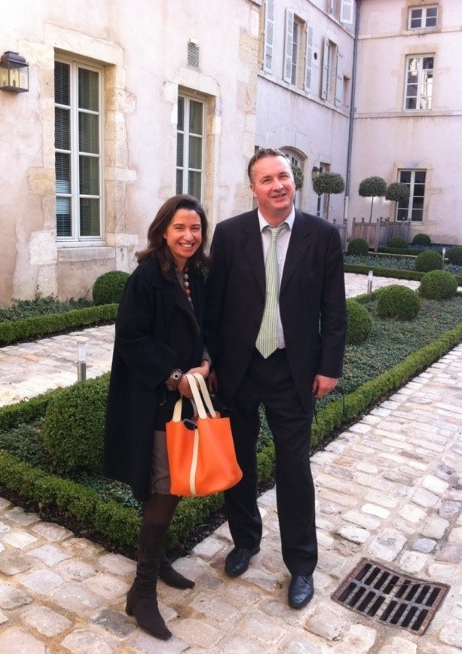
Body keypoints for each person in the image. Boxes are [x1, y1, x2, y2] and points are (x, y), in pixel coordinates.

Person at [205, 148, 347, 610]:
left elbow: (334, 309)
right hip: (239, 370)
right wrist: (210, 361)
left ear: (295, 180)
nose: (277, 185)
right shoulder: (228, 236)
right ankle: (245, 540)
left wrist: (329, 366)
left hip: (293, 371)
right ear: (253, 188)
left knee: (294, 468)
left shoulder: (323, 236)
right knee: (238, 463)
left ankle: (302, 565)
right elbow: (215, 306)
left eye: (283, 176)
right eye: (266, 179)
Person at [103, 194, 210, 641]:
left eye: (196, 229)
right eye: (180, 228)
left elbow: (208, 326)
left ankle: (158, 560)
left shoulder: (196, 276)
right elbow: (130, 336)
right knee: (165, 488)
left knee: (178, 483)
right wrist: (173, 376)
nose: (188, 236)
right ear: (163, 231)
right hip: (158, 401)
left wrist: (206, 362)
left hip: (189, 398)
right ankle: (142, 591)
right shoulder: (147, 277)